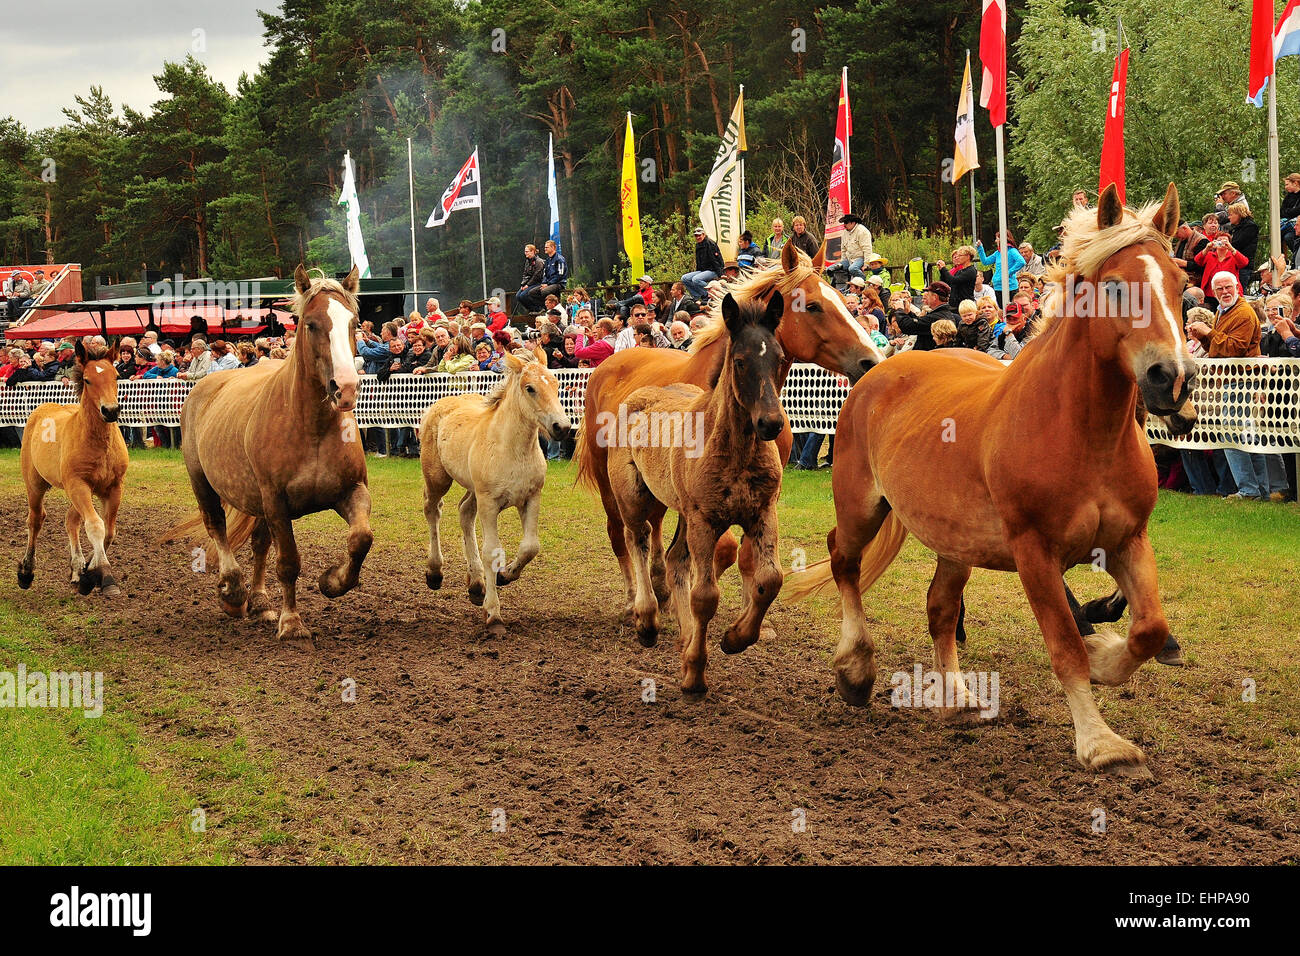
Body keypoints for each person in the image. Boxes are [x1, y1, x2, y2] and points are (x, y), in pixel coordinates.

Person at [1187, 271, 1266, 499]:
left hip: (1240, 380)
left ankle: (1249, 490)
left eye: (1228, 287)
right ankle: (1261, 489)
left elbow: (1234, 349)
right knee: (1248, 434)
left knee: (1232, 434)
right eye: (1219, 289)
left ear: (1238, 287)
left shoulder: (1242, 312)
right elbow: (1217, 348)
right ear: (1213, 291)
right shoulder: (1224, 311)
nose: (1224, 292)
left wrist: (1208, 331)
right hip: (1233, 380)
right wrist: (1203, 336)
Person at [976, 231, 1026, 305]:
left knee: (1010, 310)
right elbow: (985, 261)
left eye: (997, 238)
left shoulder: (1012, 251)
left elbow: (1021, 261)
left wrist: (1008, 273)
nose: (996, 241)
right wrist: (980, 248)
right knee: (1000, 310)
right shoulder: (998, 253)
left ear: (1002, 239)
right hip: (998, 286)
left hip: (1010, 287)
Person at [826, 213, 872, 288]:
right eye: (844, 223)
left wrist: (866, 264)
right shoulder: (845, 233)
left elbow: (867, 248)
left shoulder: (862, 231)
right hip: (849, 259)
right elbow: (843, 249)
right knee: (830, 269)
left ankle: (864, 284)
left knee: (852, 269)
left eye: (846, 223)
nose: (844, 225)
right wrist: (843, 262)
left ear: (853, 222)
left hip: (860, 258)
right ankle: (837, 287)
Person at [682, 227, 725, 298]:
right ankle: (697, 297)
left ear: (704, 235)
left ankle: (709, 294)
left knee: (696, 279)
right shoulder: (698, 245)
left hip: (713, 270)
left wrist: (720, 273)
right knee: (684, 278)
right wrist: (697, 271)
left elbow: (715, 260)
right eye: (696, 236)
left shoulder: (710, 244)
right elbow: (698, 262)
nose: (698, 237)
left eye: (699, 235)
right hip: (703, 270)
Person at [1225, 202, 1259, 290]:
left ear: (1238, 214)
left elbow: (1238, 244)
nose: (1229, 217)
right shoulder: (1236, 227)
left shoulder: (1250, 227)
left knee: (1239, 290)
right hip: (1235, 264)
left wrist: (1226, 246)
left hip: (1244, 265)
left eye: (1230, 215)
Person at [516, 243, 547, 313]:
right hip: (529, 283)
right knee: (518, 296)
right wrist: (523, 284)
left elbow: (537, 276)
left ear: (532, 251)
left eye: (527, 251)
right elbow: (525, 274)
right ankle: (531, 309)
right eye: (525, 251)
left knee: (524, 295)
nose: (525, 253)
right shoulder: (527, 261)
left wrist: (528, 285)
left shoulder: (539, 262)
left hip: (538, 282)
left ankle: (539, 308)